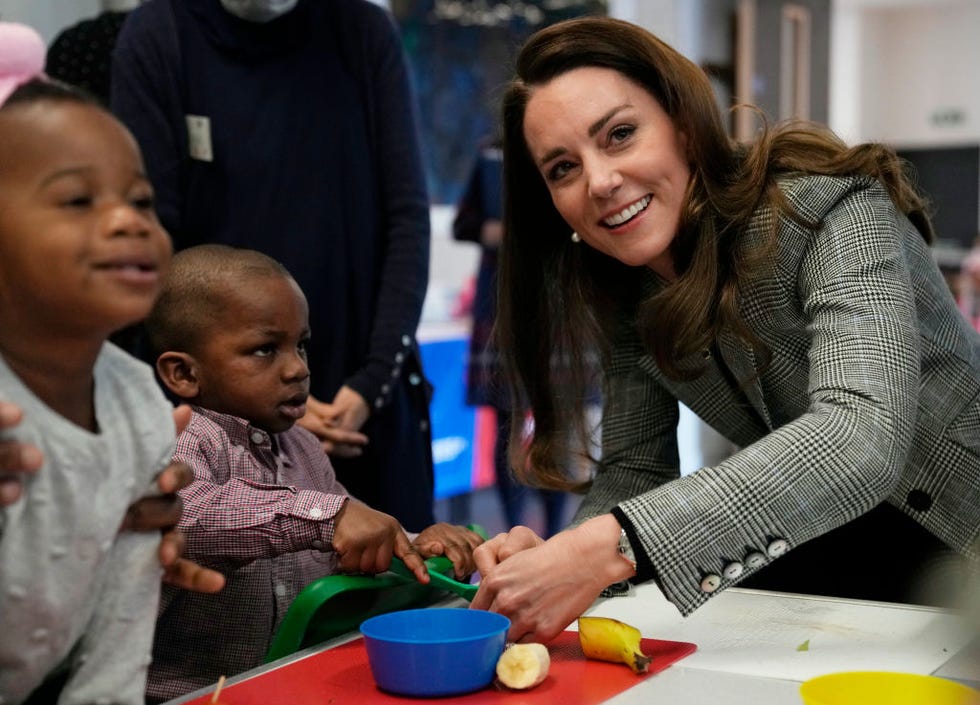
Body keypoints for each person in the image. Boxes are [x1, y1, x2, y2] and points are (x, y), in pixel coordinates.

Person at [469, 17, 980, 644]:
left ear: (684, 125)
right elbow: (633, 469)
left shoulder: (833, 211)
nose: (600, 182)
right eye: (563, 168)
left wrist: (610, 545)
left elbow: (861, 435)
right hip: (827, 546)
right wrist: (560, 556)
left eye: (621, 135)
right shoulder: (629, 288)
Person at [111, 0, 436, 532]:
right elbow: (151, 236)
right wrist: (263, 391)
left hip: (365, 402)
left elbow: (406, 219)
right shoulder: (162, 32)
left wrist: (370, 382)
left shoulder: (360, 29)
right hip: (223, 414)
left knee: (401, 579)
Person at [142, 244, 484, 701]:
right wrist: (329, 517)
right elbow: (188, 513)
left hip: (289, 685)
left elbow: (348, 538)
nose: (298, 368)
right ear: (183, 373)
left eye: (300, 345)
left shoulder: (302, 447)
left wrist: (419, 542)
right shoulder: (179, 440)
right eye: (266, 350)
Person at [0, 76, 178, 705]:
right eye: (78, 200)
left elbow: (121, 625)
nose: (128, 220)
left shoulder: (140, 404)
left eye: (142, 199)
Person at [453, 139, 568, 537]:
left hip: (556, 306)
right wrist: (493, 231)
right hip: (500, 307)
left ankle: (554, 533)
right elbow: (462, 224)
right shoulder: (489, 156)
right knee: (506, 427)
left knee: (558, 426)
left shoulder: (564, 150)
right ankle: (514, 531)